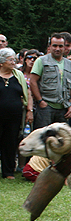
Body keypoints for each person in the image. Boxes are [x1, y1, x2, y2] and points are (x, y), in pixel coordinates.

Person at [30, 33, 71, 129]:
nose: (57, 48)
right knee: (43, 138)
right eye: (54, 45)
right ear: (50, 46)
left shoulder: (70, 64)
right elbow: (33, 81)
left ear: (64, 47)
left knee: (61, 140)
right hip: (46, 107)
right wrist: (40, 101)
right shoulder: (41, 61)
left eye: (60, 46)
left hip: (63, 109)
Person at [0, 47, 32, 179]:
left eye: (14, 59)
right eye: (10, 60)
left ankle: (8, 171)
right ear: (1, 63)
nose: (14, 62)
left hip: (14, 117)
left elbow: (27, 93)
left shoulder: (18, 76)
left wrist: (29, 110)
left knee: (11, 142)